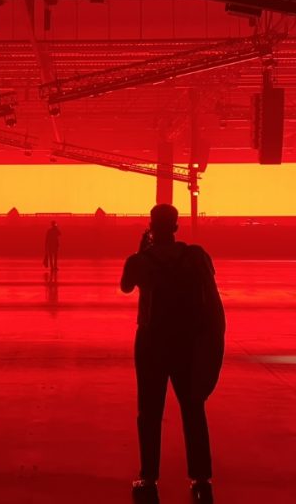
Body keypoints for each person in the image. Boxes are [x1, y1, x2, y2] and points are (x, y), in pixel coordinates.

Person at [121, 204, 226, 504]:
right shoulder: (194, 257)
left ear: (151, 227)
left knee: (150, 412)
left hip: (151, 341)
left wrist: (141, 250)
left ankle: (149, 475)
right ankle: (201, 475)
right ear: (176, 227)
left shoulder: (141, 261)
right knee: (193, 408)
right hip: (186, 342)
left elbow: (126, 285)